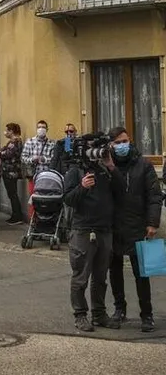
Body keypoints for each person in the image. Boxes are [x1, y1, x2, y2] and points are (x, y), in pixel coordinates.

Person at [64, 138, 123, 332]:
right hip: (83, 230)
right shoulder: (75, 171)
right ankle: (80, 315)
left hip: (105, 230)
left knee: (100, 277)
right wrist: (82, 187)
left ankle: (99, 314)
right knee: (81, 276)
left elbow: (122, 191)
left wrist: (111, 166)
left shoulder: (104, 171)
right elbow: (68, 200)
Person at [107, 127, 162, 332]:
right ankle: (119, 309)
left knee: (142, 273)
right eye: (118, 142)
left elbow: (154, 196)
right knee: (115, 271)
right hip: (113, 226)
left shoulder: (143, 165)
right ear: (111, 145)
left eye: (125, 141)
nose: (123, 145)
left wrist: (152, 223)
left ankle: (146, 314)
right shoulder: (107, 165)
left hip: (138, 225)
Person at [0, 123, 25, 225]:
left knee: (13, 194)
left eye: (7, 130)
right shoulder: (12, 142)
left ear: (11, 131)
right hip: (8, 171)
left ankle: (17, 216)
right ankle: (15, 215)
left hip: (11, 171)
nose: (5, 132)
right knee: (11, 194)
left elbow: (8, 153)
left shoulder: (16, 141)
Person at [22, 120, 56, 195]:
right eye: (39, 127)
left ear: (47, 130)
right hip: (33, 176)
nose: (41, 129)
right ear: (36, 129)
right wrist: (32, 159)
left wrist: (44, 159)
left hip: (47, 176)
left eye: (43, 127)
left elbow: (54, 159)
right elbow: (23, 158)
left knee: (45, 198)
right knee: (33, 197)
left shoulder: (52, 143)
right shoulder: (30, 142)